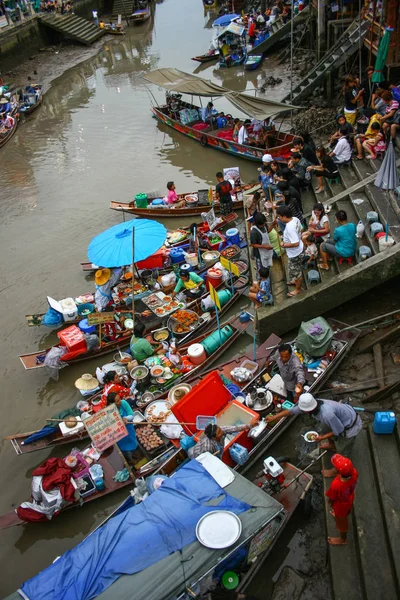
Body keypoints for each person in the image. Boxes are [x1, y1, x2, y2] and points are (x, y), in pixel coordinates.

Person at [266, 393, 362, 461]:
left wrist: (322, 438)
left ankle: (337, 471)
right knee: (324, 428)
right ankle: (332, 445)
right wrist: (274, 417)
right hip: (338, 420)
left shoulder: (327, 415)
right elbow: (291, 411)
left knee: (342, 449)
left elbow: (339, 430)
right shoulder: (311, 404)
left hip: (350, 425)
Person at [325, 454, 358, 546]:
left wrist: (330, 502)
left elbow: (332, 497)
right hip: (349, 498)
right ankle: (340, 516)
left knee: (342, 524)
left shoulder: (336, 485)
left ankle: (343, 539)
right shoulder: (354, 472)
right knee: (347, 511)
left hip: (340, 506)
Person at [277, 205, 305, 297]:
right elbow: (301, 229)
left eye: (279, 217)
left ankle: (298, 289)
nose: (279, 218)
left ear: (284, 216)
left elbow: (296, 243)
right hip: (299, 250)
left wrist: (284, 244)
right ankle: (295, 280)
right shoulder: (295, 219)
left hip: (295, 253)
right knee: (294, 269)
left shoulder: (290, 227)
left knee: (297, 272)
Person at [106, 392, 138, 464]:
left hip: (129, 430)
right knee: (126, 450)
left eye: (119, 399)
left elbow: (131, 415)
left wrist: (126, 418)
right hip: (120, 436)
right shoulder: (108, 412)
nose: (120, 401)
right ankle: (130, 460)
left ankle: (134, 453)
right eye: (117, 401)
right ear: (112, 404)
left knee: (133, 442)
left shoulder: (124, 403)